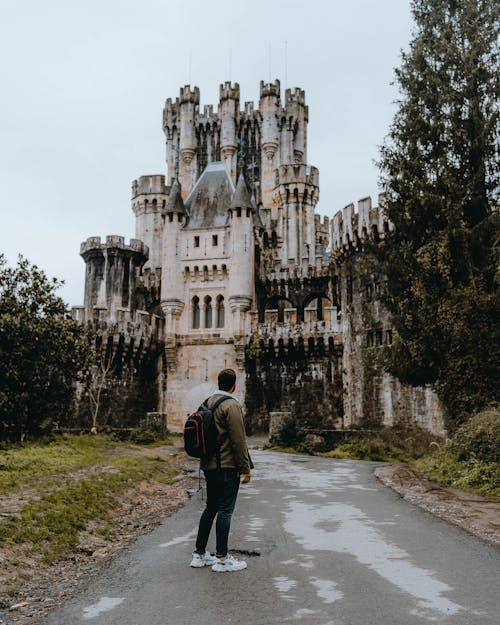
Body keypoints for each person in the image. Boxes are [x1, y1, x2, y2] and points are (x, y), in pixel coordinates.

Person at [190, 368, 252, 572]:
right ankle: (222, 559)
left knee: (211, 508)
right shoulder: (231, 405)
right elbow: (238, 440)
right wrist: (245, 468)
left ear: (218, 383)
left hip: (208, 467)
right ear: (234, 385)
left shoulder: (206, 403)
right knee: (225, 510)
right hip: (227, 467)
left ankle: (199, 554)